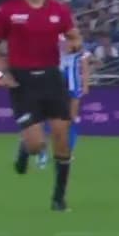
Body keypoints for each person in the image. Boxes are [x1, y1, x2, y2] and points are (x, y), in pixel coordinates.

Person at [0, 0, 81, 211]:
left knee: (61, 135)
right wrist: (1, 72)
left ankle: (59, 198)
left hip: (51, 77)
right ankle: (25, 147)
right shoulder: (8, 11)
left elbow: (75, 37)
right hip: (22, 80)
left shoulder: (59, 10)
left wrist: (73, 45)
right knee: (37, 145)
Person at [37, 33, 92, 169]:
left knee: (70, 120)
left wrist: (85, 85)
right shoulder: (56, 45)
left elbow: (85, 68)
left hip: (73, 88)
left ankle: (67, 152)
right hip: (56, 86)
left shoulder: (80, 51)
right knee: (46, 119)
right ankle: (42, 153)